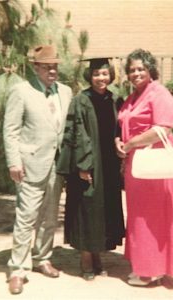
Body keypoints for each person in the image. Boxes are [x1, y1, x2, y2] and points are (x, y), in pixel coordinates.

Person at [3, 45, 72, 294]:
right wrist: (14, 162)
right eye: (46, 66)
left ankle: (43, 258)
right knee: (26, 217)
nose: (52, 70)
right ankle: (18, 269)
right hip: (29, 164)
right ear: (35, 67)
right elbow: (10, 130)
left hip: (57, 164)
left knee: (50, 216)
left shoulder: (65, 92)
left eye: (55, 66)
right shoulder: (21, 91)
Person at [115, 48, 173, 287]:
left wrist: (132, 143)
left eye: (140, 69)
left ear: (150, 69)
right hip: (137, 164)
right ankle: (147, 264)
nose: (136, 73)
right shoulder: (133, 96)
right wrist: (119, 142)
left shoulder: (159, 93)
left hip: (155, 163)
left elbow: (163, 128)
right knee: (139, 215)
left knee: (153, 216)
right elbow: (123, 122)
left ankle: (151, 271)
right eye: (132, 69)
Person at [57, 57, 125, 281]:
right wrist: (83, 165)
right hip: (87, 165)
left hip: (108, 167)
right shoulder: (81, 100)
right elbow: (77, 134)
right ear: (90, 76)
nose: (101, 78)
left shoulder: (115, 99)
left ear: (110, 75)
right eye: (96, 74)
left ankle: (98, 256)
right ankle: (86, 258)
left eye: (105, 74)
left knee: (101, 211)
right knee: (87, 210)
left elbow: (120, 130)